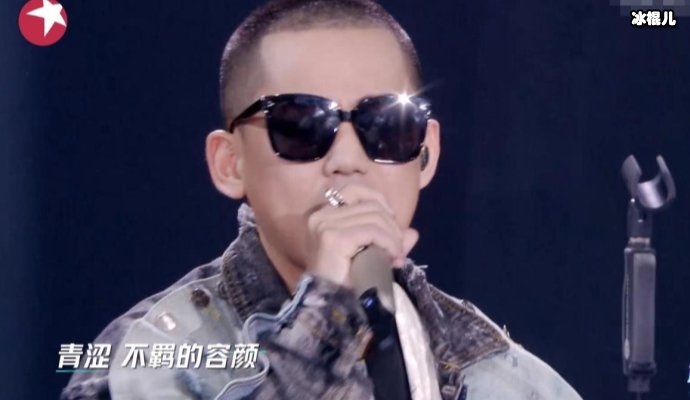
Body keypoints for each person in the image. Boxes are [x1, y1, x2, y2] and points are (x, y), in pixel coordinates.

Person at [62, 0, 583, 399]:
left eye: (387, 125)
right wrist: (326, 319)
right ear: (230, 163)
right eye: (302, 126)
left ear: (426, 154)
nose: (348, 159)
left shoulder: (505, 377)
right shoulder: (149, 354)